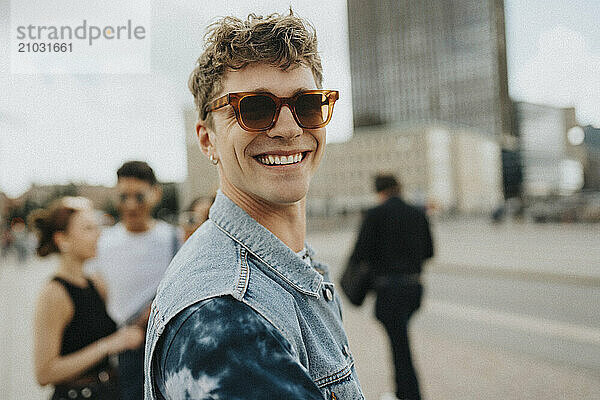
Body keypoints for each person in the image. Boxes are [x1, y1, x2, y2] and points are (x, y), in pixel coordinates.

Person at [144, 10, 364, 399]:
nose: (288, 128)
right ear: (207, 138)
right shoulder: (227, 319)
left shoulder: (291, 266)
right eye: (255, 109)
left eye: (308, 104)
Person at [29, 197, 144, 400]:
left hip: (109, 390)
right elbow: (44, 373)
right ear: (62, 240)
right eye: (88, 229)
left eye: (96, 227)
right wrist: (107, 345)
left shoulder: (96, 282)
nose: (98, 235)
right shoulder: (54, 293)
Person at [86, 161, 180, 399]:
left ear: (155, 194)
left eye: (138, 196)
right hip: (120, 351)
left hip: (164, 344)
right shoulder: (102, 243)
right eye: (123, 196)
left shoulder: (173, 238)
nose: (130, 205)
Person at [346, 174, 434, 400]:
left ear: (379, 192)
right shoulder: (417, 213)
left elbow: (359, 254)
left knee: (399, 346)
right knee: (400, 341)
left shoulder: (374, 215)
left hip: (388, 291)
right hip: (414, 288)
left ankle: (408, 394)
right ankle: (403, 391)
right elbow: (429, 252)